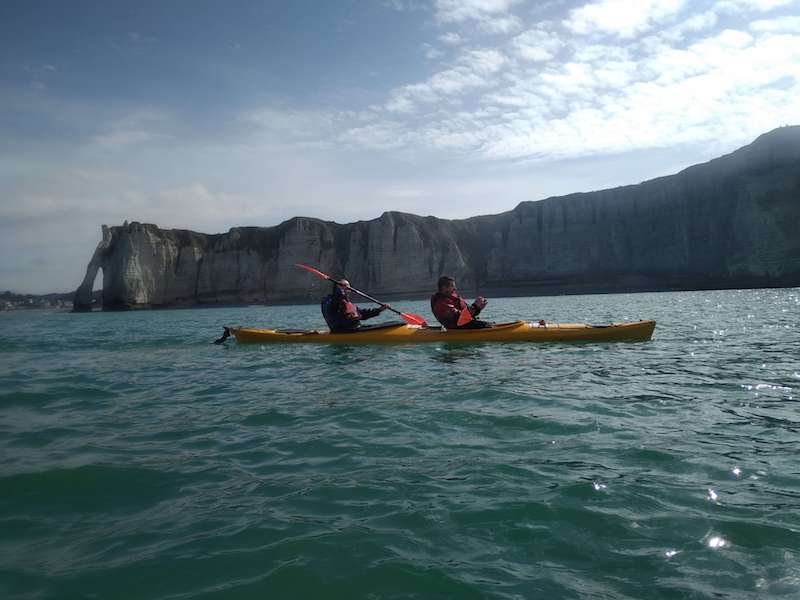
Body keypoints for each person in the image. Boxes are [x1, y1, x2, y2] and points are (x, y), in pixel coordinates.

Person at [321, 279, 388, 333]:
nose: (349, 290)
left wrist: (379, 310)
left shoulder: (346, 302)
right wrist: (340, 291)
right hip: (342, 330)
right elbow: (334, 303)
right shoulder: (330, 300)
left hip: (353, 328)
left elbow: (362, 314)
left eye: (349, 287)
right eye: (346, 287)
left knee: (387, 324)